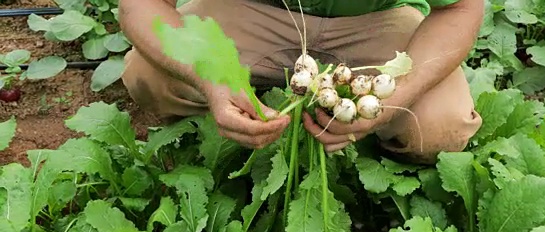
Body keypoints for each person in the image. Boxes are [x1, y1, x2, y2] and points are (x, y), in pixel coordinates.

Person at [118, 0, 484, 164]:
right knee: (150, 77)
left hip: (372, 19)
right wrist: (211, 74)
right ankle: (237, 101)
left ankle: (364, 125)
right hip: (250, 9)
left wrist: (392, 98)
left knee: (439, 126)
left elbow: (461, 8)